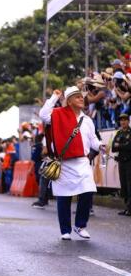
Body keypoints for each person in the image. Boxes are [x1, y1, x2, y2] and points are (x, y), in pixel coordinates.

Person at [39, 86, 102, 240]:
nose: (82, 99)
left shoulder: (87, 120)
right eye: (78, 97)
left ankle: (80, 225)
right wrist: (54, 97)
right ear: (69, 101)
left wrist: (100, 146)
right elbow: (43, 115)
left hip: (82, 161)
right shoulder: (58, 114)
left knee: (88, 191)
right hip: (64, 163)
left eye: (82, 97)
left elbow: (93, 139)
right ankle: (65, 230)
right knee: (64, 197)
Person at [111, 113, 131, 216]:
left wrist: (120, 145)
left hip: (129, 162)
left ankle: (130, 208)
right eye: (121, 120)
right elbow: (113, 148)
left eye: (125, 120)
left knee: (129, 185)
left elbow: (129, 147)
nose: (123, 122)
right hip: (121, 162)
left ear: (128, 121)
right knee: (123, 185)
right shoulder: (118, 133)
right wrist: (123, 145)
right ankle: (127, 208)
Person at [31, 133, 49, 209]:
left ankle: (42, 200)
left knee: (43, 180)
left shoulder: (47, 137)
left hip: (48, 160)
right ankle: (45, 199)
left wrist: (43, 154)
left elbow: (44, 152)